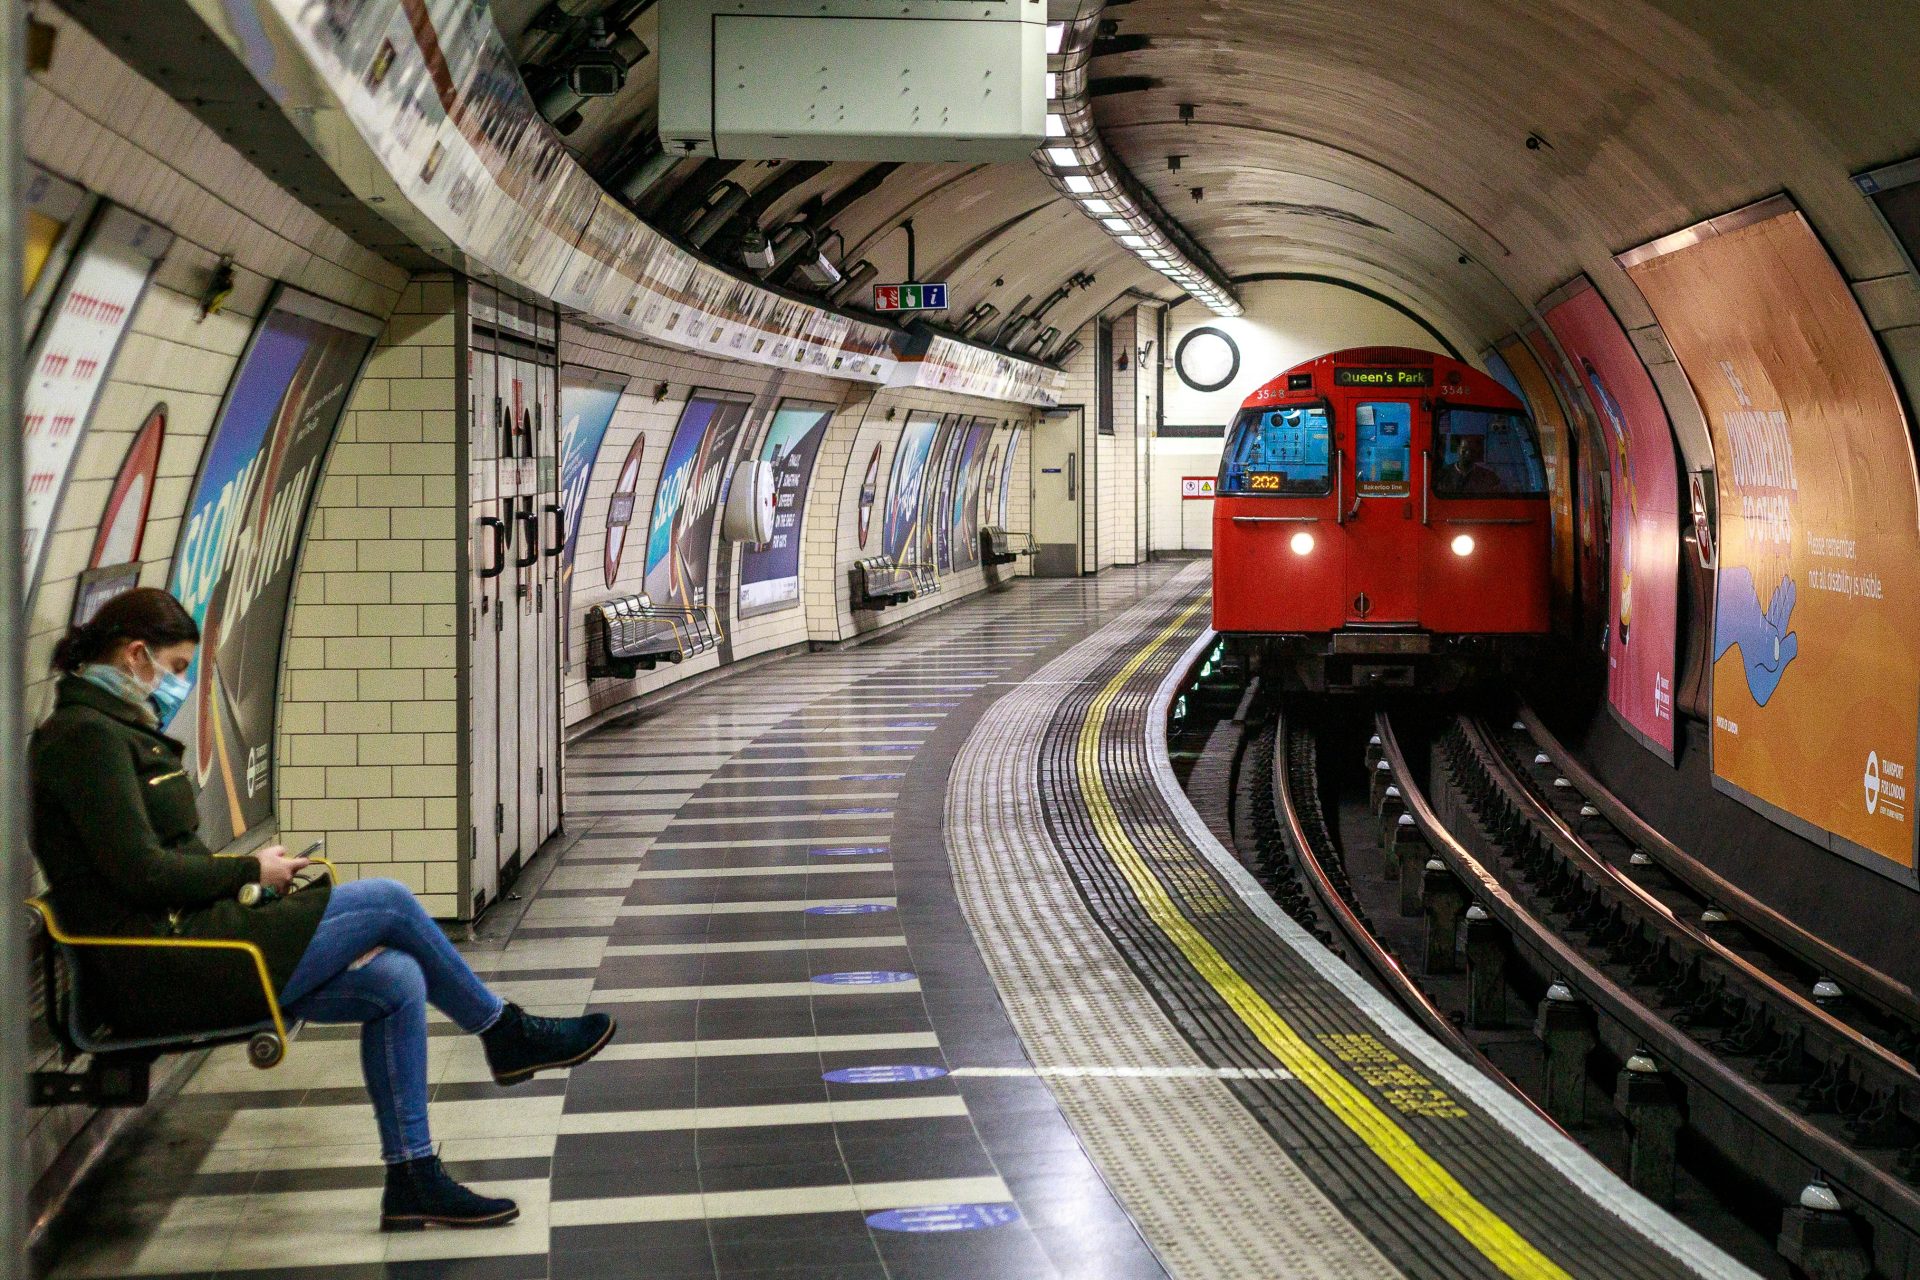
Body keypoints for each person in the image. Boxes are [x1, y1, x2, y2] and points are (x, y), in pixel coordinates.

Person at [29, 588, 615, 1231]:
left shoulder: (115, 730)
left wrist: (250, 885)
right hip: (170, 966)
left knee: (397, 980)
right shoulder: (82, 740)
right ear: (134, 654)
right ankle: (504, 1032)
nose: (179, 684)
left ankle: (412, 1176)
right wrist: (250, 869)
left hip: (198, 943)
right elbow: (141, 873)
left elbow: (161, 864)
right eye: (173, 668)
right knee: (389, 900)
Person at [1437, 433, 1502, 495]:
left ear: (1477, 454)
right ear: (1458, 450)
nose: (1468, 454)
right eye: (1464, 450)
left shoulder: (1489, 477)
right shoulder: (1443, 474)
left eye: (1472, 451)